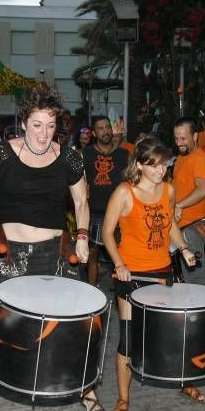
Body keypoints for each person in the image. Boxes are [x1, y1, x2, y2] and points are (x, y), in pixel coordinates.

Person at [0, 86, 104, 411]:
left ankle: (86, 389)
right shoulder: (2, 155)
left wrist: (84, 236)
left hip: (54, 253)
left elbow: (81, 200)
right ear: (23, 123)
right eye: (36, 124)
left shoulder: (69, 158)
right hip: (12, 255)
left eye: (50, 125)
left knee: (74, 323)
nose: (43, 133)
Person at [101, 138, 199, 411]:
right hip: (130, 273)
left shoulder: (168, 190)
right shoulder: (124, 192)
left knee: (174, 332)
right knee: (129, 339)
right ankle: (123, 398)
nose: (161, 170)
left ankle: (184, 381)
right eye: (154, 165)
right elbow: (107, 232)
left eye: (164, 164)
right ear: (140, 164)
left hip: (162, 271)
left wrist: (184, 249)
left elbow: (170, 226)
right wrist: (118, 263)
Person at [83, 116, 128, 286]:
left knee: (120, 255)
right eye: (100, 128)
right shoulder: (86, 153)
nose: (106, 131)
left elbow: (131, 180)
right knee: (92, 254)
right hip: (93, 211)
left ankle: (121, 291)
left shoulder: (123, 154)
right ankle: (90, 292)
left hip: (118, 214)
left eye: (108, 127)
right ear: (94, 133)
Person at [172, 117, 205, 285]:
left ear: (195, 136)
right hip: (182, 224)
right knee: (189, 276)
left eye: (183, 138)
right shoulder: (183, 156)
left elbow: (203, 189)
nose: (178, 142)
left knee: (196, 277)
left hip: (193, 226)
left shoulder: (198, 158)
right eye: (176, 138)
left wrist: (179, 205)